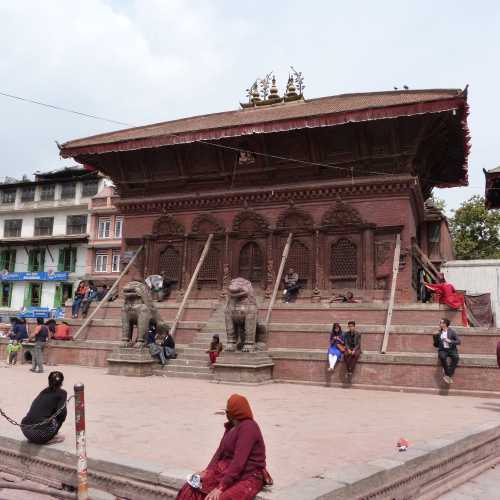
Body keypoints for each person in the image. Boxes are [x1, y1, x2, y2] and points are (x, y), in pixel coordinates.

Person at [176, 394, 270, 500]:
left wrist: (221, 487)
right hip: (227, 470)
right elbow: (220, 452)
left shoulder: (249, 428)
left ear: (235, 412)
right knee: (191, 488)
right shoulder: (231, 427)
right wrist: (207, 470)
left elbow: (238, 462)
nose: (226, 413)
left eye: (228, 411)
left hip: (249, 476)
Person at [21, 371, 67, 445]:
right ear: (61, 382)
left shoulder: (43, 391)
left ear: (49, 381)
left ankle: (42, 434)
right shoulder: (62, 393)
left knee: (46, 415)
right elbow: (62, 414)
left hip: (25, 430)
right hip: (40, 435)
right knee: (60, 416)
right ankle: (49, 438)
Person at [435, 318, 461, 384]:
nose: (439, 324)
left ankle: (448, 375)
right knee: (442, 357)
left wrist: (450, 341)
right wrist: (434, 337)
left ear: (445, 324)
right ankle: (448, 374)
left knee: (456, 358)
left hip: (452, 350)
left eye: (441, 323)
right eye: (440, 323)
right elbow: (436, 345)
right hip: (442, 350)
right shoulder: (438, 333)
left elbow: (459, 342)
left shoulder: (452, 332)